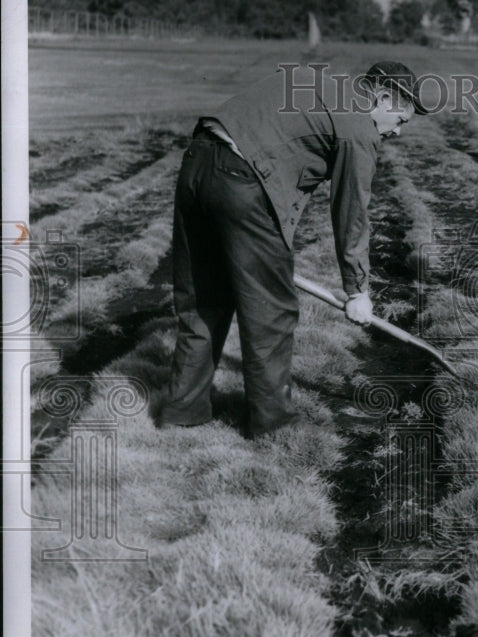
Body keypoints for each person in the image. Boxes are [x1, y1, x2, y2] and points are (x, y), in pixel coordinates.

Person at [159, 61, 427, 436]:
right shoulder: (358, 126)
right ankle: (274, 427)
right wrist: (358, 291)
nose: (396, 132)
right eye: (400, 119)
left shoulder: (312, 81)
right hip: (242, 183)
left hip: (197, 164)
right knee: (272, 310)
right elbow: (351, 212)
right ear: (381, 97)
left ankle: (181, 412)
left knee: (204, 299)